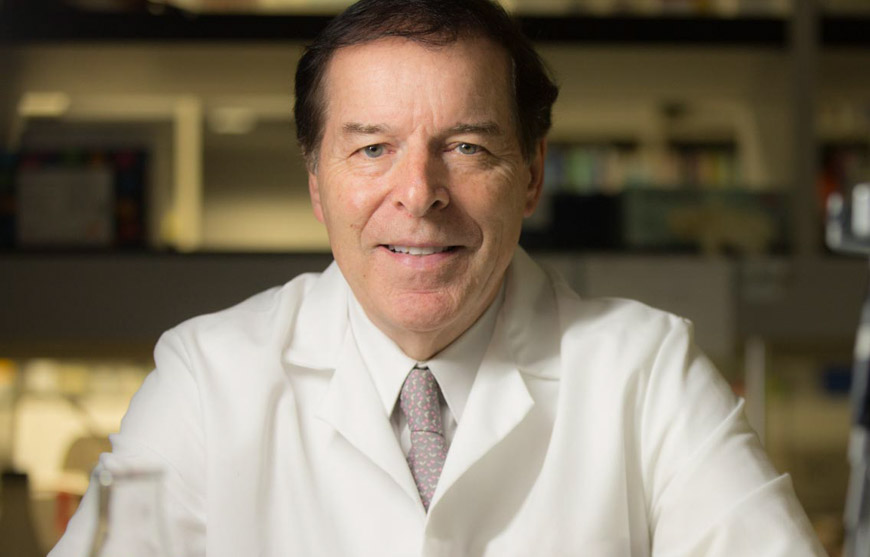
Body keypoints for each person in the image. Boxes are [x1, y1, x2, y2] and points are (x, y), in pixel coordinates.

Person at [51, 0, 826, 555]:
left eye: (465, 147)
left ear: (531, 174)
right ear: (317, 182)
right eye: (371, 148)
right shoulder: (205, 379)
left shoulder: (645, 368)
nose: (418, 193)